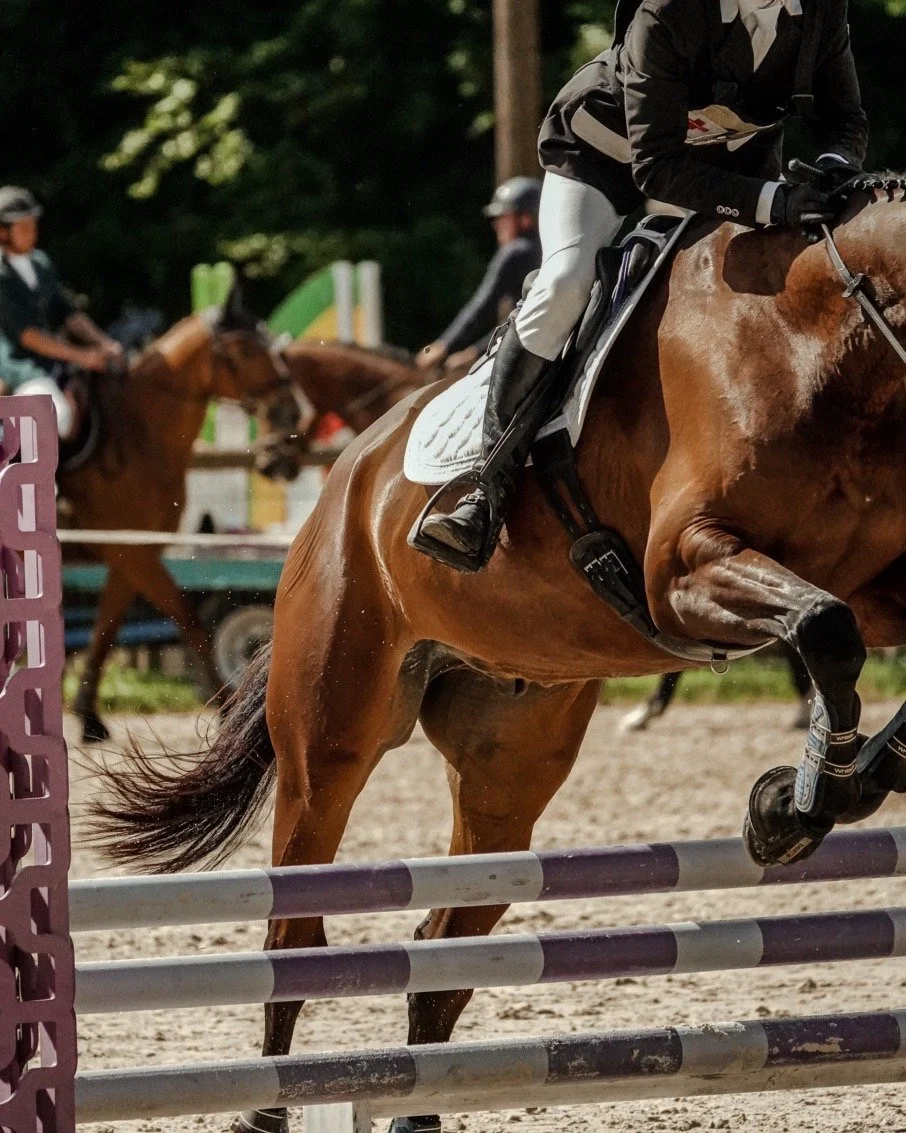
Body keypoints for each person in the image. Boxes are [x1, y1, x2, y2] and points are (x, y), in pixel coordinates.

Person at [415, 0, 867, 571]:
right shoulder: (670, 10)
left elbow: (845, 119)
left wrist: (833, 167)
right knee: (566, 282)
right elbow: (657, 168)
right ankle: (485, 490)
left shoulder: (821, 7)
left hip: (730, 166)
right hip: (606, 154)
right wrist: (775, 202)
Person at [0, 186, 124, 440]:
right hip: (18, 367)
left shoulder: (41, 263)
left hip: (53, 362)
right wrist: (83, 356)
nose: (32, 232)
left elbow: (69, 313)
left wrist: (104, 343)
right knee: (57, 414)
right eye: (23, 227)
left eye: (33, 225)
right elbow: (27, 337)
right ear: (3, 232)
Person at [417, 176, 542, 373]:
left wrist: (445, 345)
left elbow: (484, 304)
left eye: (503, 217)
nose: (496, 225)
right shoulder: (545, 249)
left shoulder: (516, 252)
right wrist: (477, 350)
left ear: (525, 219)